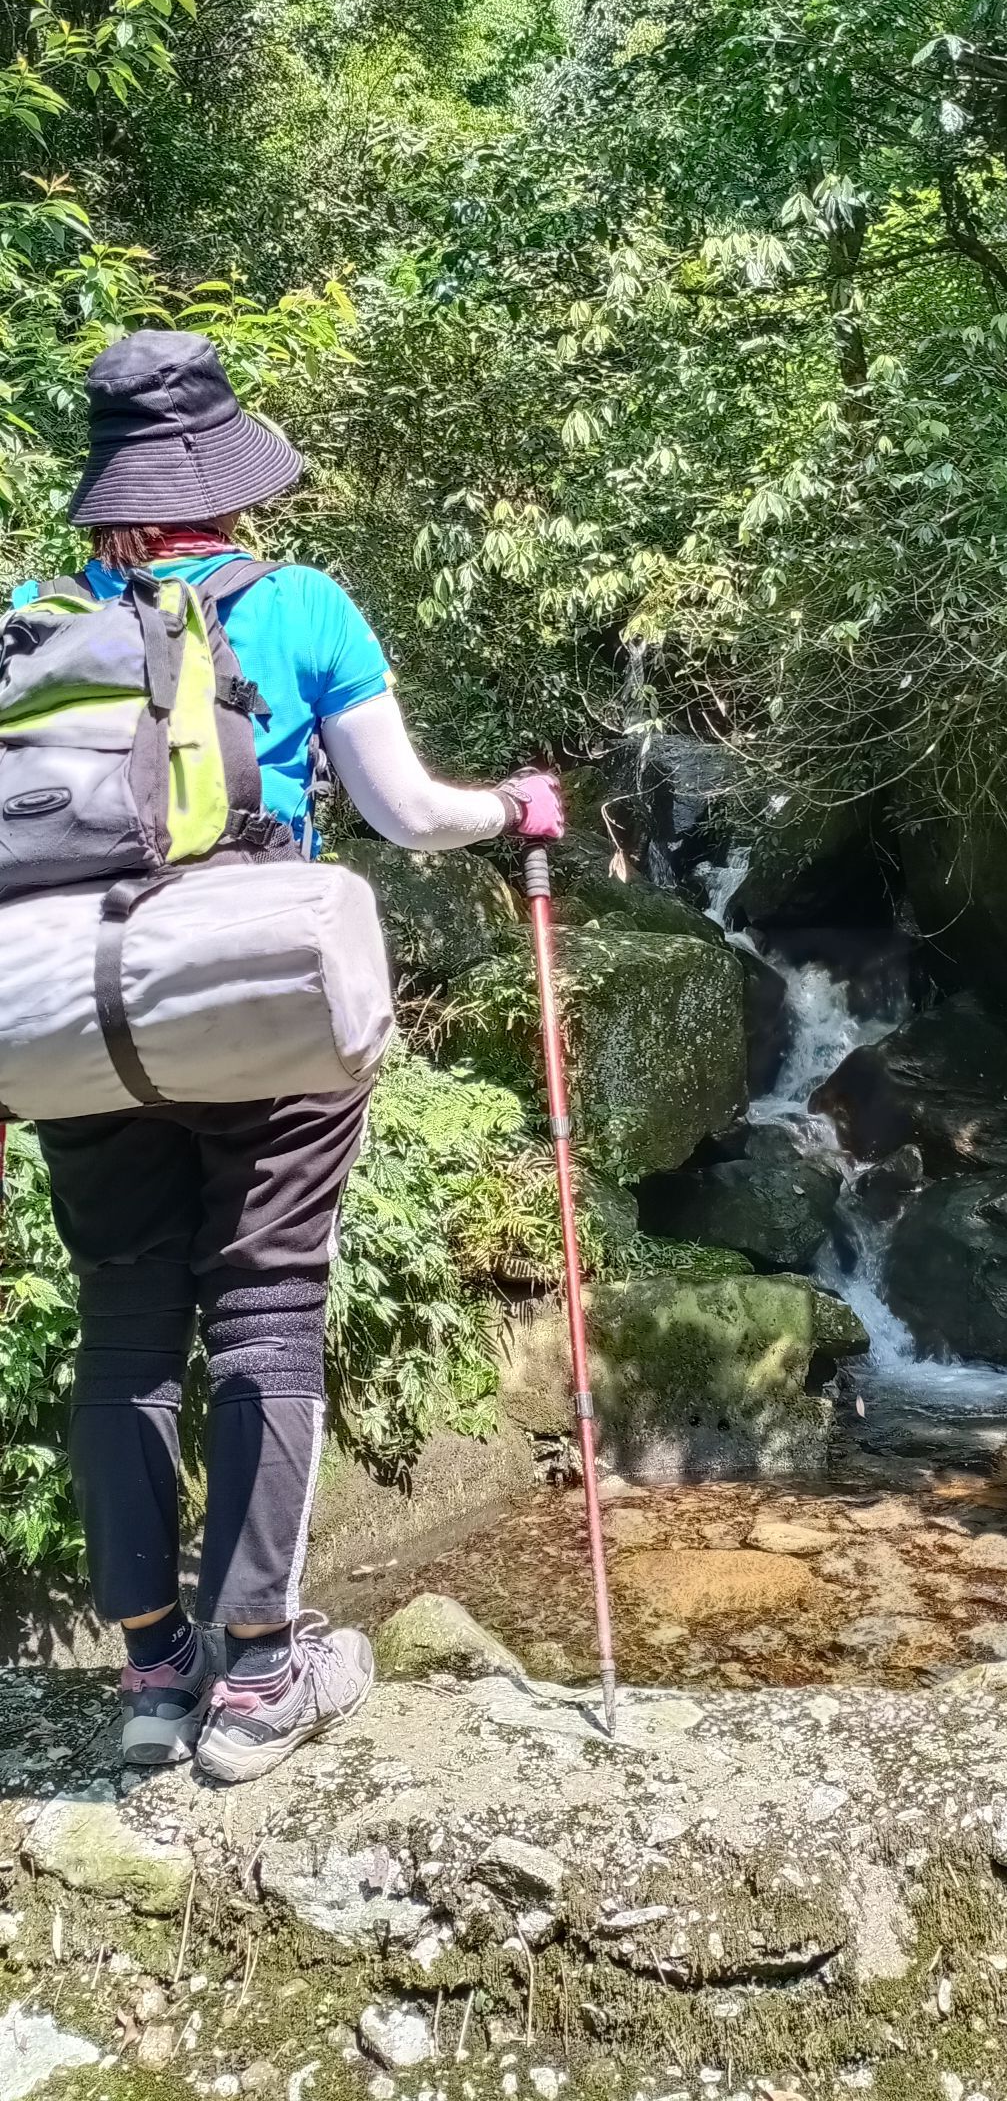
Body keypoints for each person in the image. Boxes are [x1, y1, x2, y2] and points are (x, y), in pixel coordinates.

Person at [15, 329, 564, 1785]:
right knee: (266, 1302)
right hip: (254, 994)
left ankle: (148, 1675)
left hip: (84, 1012)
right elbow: (403, 809)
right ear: (229, 480)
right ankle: (260, 1670)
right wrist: (512, 808)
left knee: (125, 1320)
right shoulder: (302, 602)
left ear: (109, 487)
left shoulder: (29, 615)